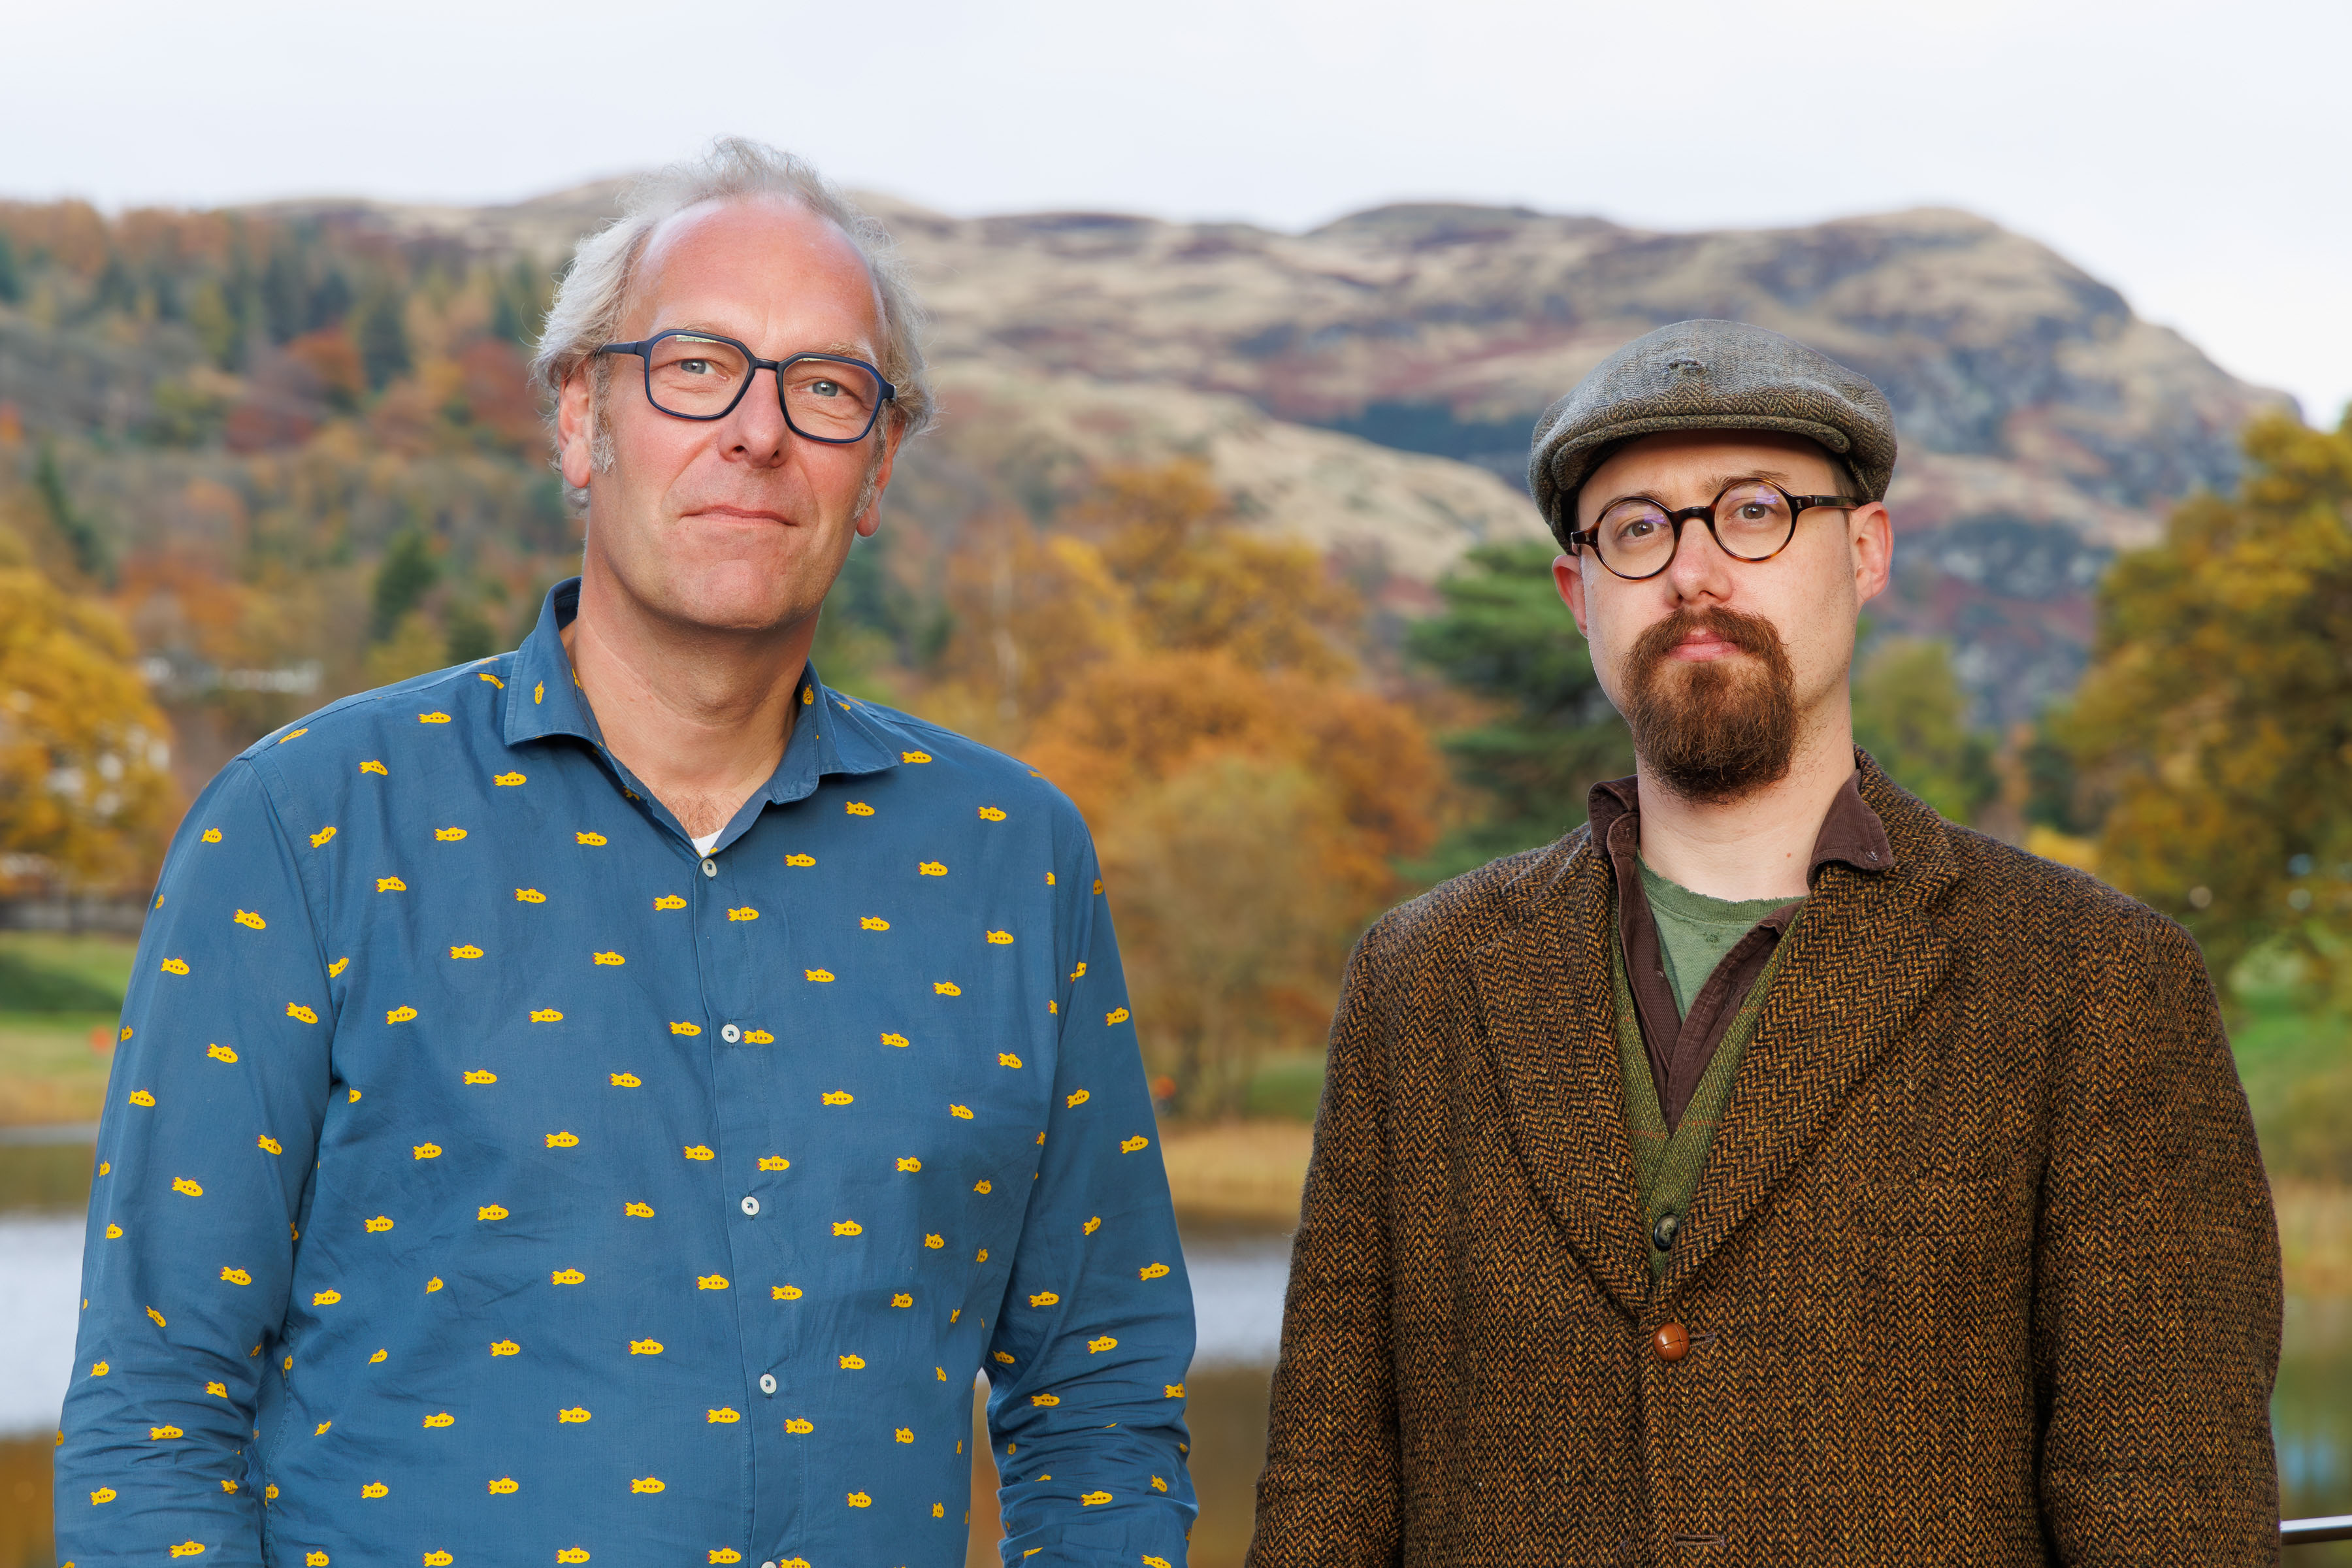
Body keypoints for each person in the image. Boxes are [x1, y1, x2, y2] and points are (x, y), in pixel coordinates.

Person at [56, 139, 1196, 1568]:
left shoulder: (1012, 859)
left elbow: (1102, 1405)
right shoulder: (306, 826)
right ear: (580, 419)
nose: (759, 432)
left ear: (879, 467)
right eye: (696, 368)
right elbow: (155, 1416)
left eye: (824, 388)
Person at [1247, 319, 2281, 1565]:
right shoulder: (1418, 980)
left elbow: (2172, 1508)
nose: (1695, 573)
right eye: (1638, 528)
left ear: (1866, 549)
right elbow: (1328, 1490)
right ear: (1580, 594)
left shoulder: (2096, 983)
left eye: (1755, 512)